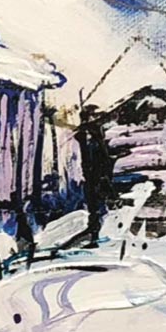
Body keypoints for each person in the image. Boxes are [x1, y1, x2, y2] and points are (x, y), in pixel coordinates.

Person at [74, 104, 115, 248]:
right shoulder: (91, 135)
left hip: (95, 175)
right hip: (92, 175)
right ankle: (94, 232)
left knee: (96, 205)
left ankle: (95, 233)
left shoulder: (94, 136)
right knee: (94, 205)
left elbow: (102, 157)